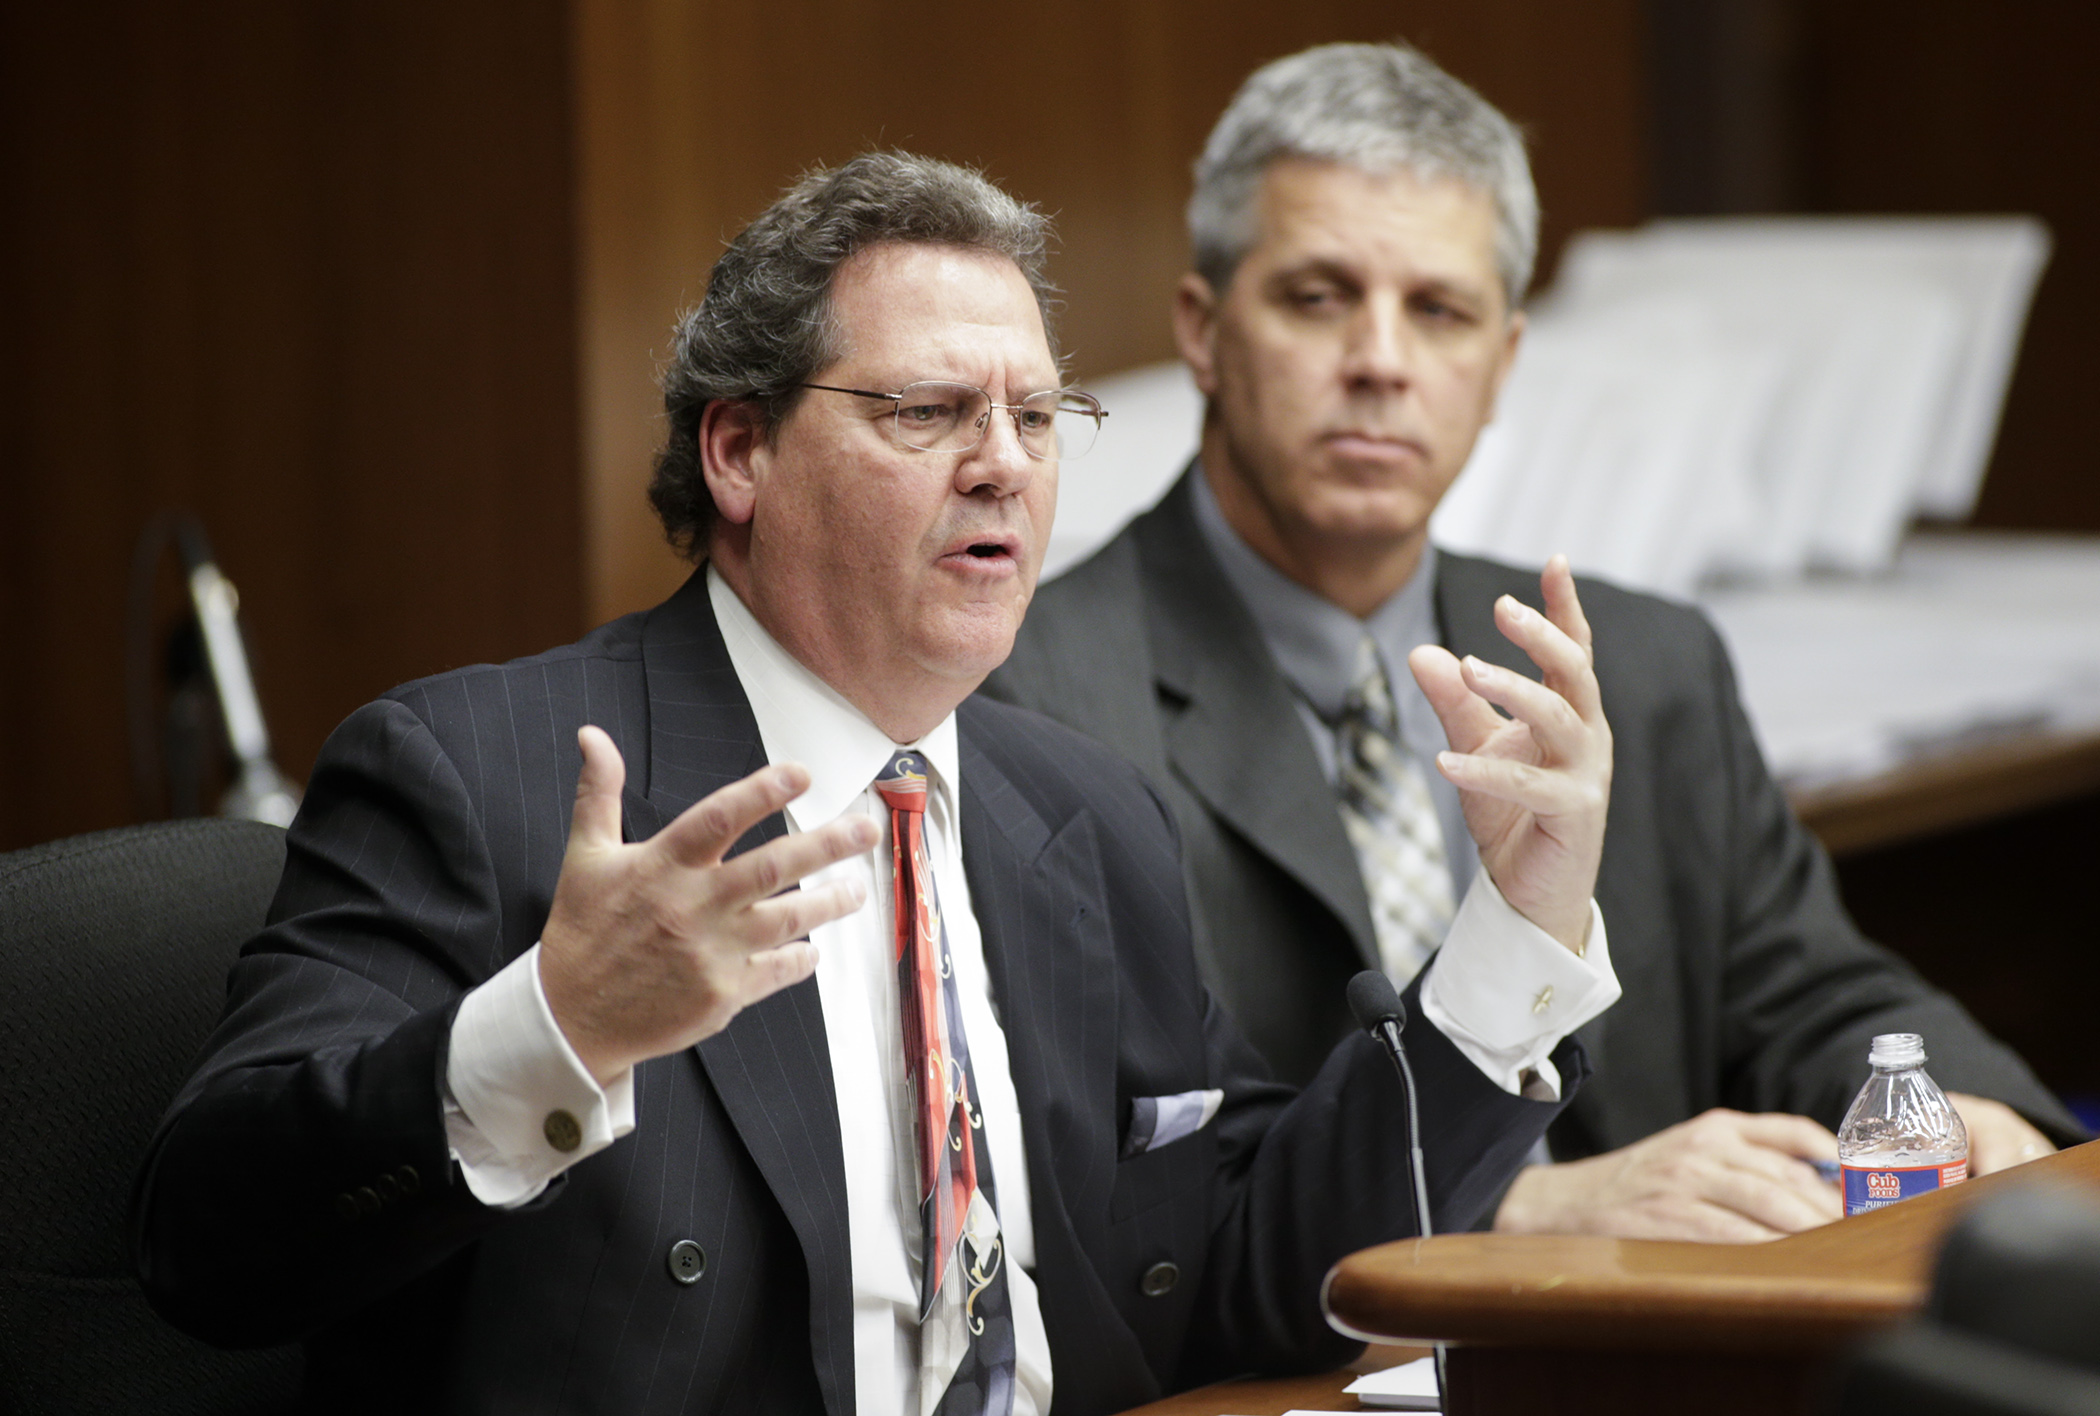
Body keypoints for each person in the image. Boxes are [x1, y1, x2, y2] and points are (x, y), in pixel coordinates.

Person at [133, 151, 1623, 1416]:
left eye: (1036, 419)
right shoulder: (478, 773)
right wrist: (557, 1030)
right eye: (926, 412)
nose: (1003, 468)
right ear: (740, 451)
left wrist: (1520, 925)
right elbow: (211, 1245)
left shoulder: (1086, 818)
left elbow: (1250, 1273)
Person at [985, 42, 2081, 1247]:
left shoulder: (1648, 666)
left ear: (1504, 365)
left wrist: (1968, 1119)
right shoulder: (1027, 696)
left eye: (1441, 311)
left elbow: (1807, 991)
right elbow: (1100, 1165)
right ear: (1202, 330)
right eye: (1317, 297)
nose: (1381, 363)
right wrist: (1519, 1202)